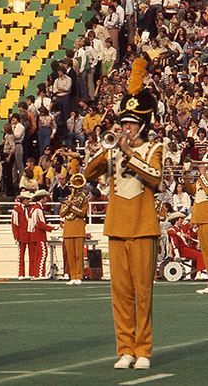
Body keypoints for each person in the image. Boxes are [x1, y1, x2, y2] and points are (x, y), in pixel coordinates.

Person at [83, 58, 162, 371]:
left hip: (143, 227)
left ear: (141, 125)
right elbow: (88, 173)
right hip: (116, 226)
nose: (125, 128)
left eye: (130, 124)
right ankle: (125, 348)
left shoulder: (154, 148)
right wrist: (107, 151)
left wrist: (129, 153)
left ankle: (143, 348)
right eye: (123, 123)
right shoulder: (113, 148)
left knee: (143, 292)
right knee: (120, 293)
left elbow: (155, 179)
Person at [60, 173, 89, 285]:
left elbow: (82, 213)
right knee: (70, 255)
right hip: (68, 229)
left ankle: (79, 276)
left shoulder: (84, 200)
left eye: (75, 187)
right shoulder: (68, 199)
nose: (73, 189)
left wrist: (71, 206)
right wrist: (68, 204)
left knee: (78, 255)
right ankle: (72, 276)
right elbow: (61, 214)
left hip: (78, 228)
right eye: (72, 187)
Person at [183, 164, 208, 294]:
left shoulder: (204, 178)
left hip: (207, 219)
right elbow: (190, 190)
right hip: (201, 220)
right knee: (206, 253)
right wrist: (186, 174)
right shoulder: (201, 180)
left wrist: (203, 174)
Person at [28, 190, 56, 279]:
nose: (47, 199)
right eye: (45, 198)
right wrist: (52, 228)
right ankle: (40, 273)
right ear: (42, 198)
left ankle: (36, 274)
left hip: (33, 235)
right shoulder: (38, 209)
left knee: (37, 256)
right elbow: (40, 224)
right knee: (43, 254)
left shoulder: (33, 208)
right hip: (39, 235)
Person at [10, 191, 34, 279]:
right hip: (22, 235)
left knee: (32, 255)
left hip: (31, 234)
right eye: (27, 199)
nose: (29, 201)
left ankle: (32, 273)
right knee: (21, 256)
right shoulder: (16, 210)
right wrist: (16, 237)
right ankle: (21, 273)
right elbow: (15, 224)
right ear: (23, 200)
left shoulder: (32, 208)